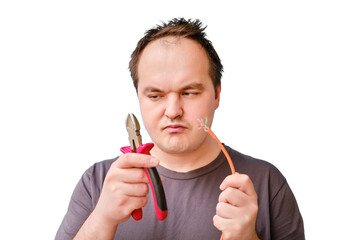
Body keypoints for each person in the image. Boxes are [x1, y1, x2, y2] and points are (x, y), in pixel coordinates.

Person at [56, 18, 304, 240]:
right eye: (155, 96)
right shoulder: (97, 182)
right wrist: (102, 220)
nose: (173, 110)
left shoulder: (267, 183)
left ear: (217, 95)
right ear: (139, 98)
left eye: (189, 92)